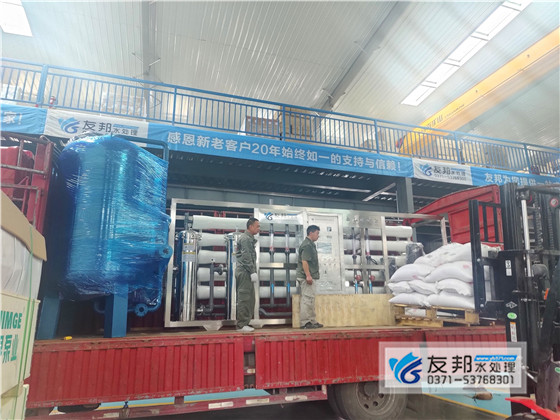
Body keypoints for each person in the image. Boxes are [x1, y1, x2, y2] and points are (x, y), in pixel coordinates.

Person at [235, 217, 260, 332]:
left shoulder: (249, 239)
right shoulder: (245, 239)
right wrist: (252, 271)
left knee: (250, 299)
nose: (259, 228)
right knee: (244, 298)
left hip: (247, 271)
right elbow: (246, 257)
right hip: (245, 271)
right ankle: (241, 325)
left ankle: (245, 323)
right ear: (250, 226)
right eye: (257, 226)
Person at [296, 225, 323, 329]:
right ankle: (305, 322)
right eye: (317, 233)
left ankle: (312, 320)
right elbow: (304, 261)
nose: (318, 235)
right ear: (311, 233)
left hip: (310, 276)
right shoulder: (307, 245)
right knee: (307, 299)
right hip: (306, 277)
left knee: (310, 299)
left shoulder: (311, 244)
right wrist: (308, 275)